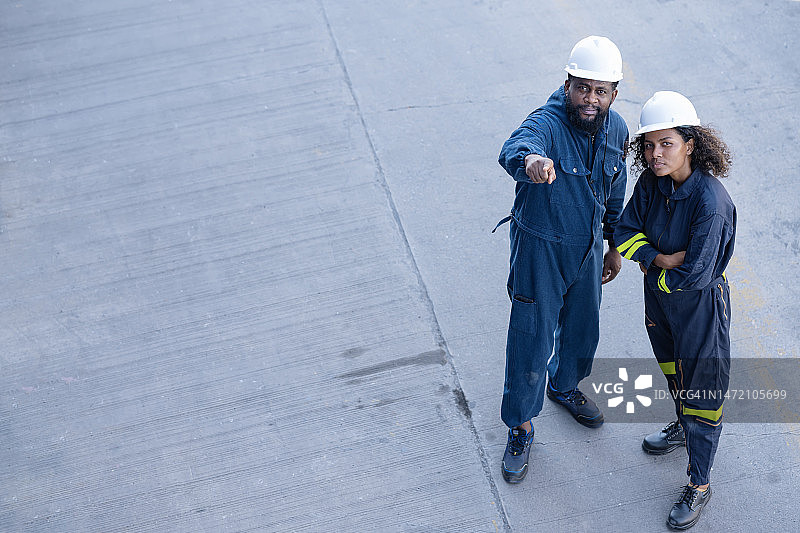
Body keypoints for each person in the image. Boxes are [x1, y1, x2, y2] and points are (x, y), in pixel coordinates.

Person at [494, 36, 628, 484]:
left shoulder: (616, 129)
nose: (590, 99)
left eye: (600, 91)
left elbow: (614, 190)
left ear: (614, 94)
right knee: (531, 336)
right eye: (582, 88)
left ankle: (565, 385)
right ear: (567, 83)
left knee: (583, 327)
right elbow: (517, 145)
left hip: (587, 246)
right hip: (541, 247)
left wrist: (613, 245)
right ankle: (520, 425)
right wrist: (531, 161)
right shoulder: (547, 123)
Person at [613, 91, 735, 530]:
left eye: (666, 143)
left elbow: (697, 272)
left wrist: (653, 267)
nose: (655, 154)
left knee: (703, 395)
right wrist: (659, 258)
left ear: (691, 144)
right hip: (662, 305)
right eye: (649, 145)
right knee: (674, 373)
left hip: (699, 309)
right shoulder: (652, 184)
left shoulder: (711, 203)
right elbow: (625, 231)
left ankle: (699, 483)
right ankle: (683, 427)